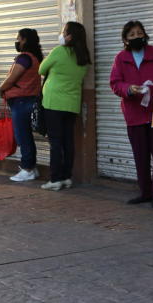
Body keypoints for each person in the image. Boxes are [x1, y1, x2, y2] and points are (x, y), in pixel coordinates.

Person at [109, 20, 153, 207]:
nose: (137, 37)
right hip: (134, 113)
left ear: (145, 34)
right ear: (125, 39)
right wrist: (129, 89)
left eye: (139, 33)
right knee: (140, 155)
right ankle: (145, 192)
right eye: (132, 35)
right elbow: (115, 83)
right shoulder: (121, 58)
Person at [39, 21, 90, 191]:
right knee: (68, 142)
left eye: (64, 32)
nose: (62, 35)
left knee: (55, 142)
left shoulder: (59, 51)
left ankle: (55, 179)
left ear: (70, 36)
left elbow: (41, 69)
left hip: (54, 102)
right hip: (72, 104)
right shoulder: (84, 57)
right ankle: (67, 177)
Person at [0, 28, 44, 182]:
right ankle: (32, 168)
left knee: (22, 136)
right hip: (27, 100)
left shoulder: (24, 58)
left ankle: (27, 169)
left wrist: (1, 88)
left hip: (21, 102)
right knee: (26, 137)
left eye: (18, 38)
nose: (17, 41)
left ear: (24, 40)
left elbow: (12, 79)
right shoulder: (35, 57)